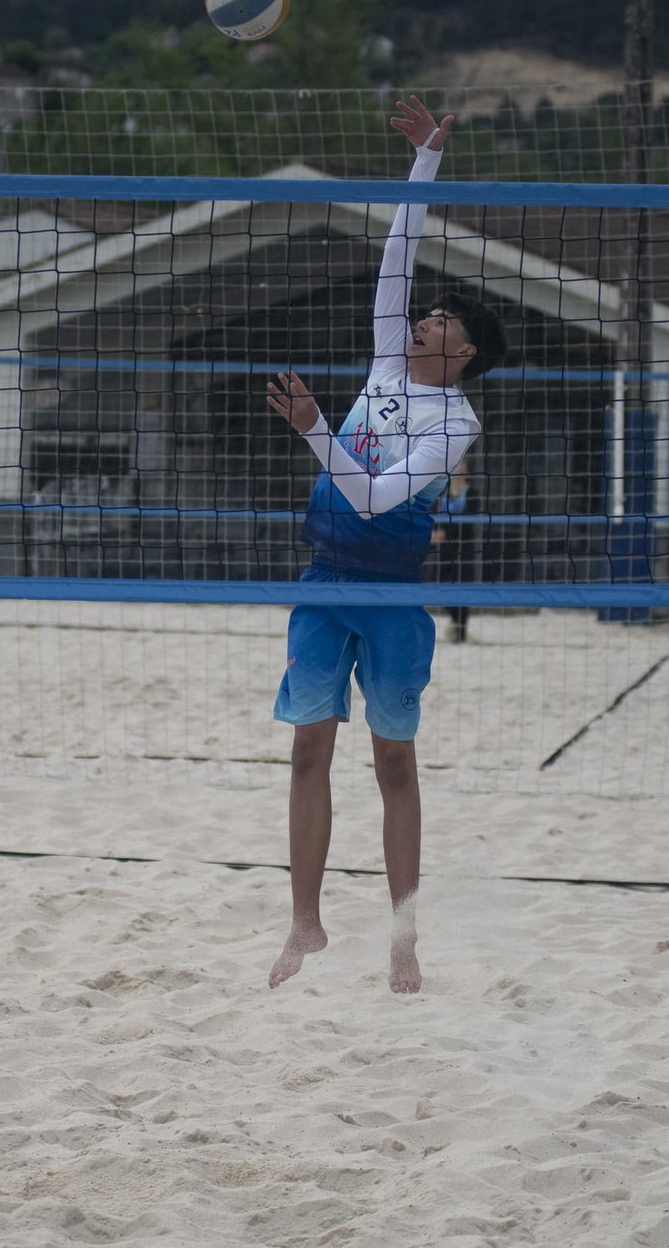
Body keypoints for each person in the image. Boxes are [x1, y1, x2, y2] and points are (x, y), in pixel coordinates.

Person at [263, 97, 508, 995]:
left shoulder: (457, 423)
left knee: (393, 762)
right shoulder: (383, 364)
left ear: (467, 349)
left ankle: (404, 938)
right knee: (305, 751)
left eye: (440, 322)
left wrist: (315, 429)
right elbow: (397, 253)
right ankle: (306, 923)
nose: (421, 322)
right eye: (424, 315)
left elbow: (369, 499)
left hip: (393, 588)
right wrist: (425, 162)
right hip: (324, 578)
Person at [431, 459, 475, 644]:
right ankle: (456, 621)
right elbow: (433, 515)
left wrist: (445, 533)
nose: (459, 466)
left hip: (465, 548)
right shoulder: (442, 491)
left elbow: (470, 522)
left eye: (463, 463)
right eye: (457, 463)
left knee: (462, 589)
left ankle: (461, 633)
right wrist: (433, 533)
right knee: (440, 585)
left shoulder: (473, 493)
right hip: (445, 548)